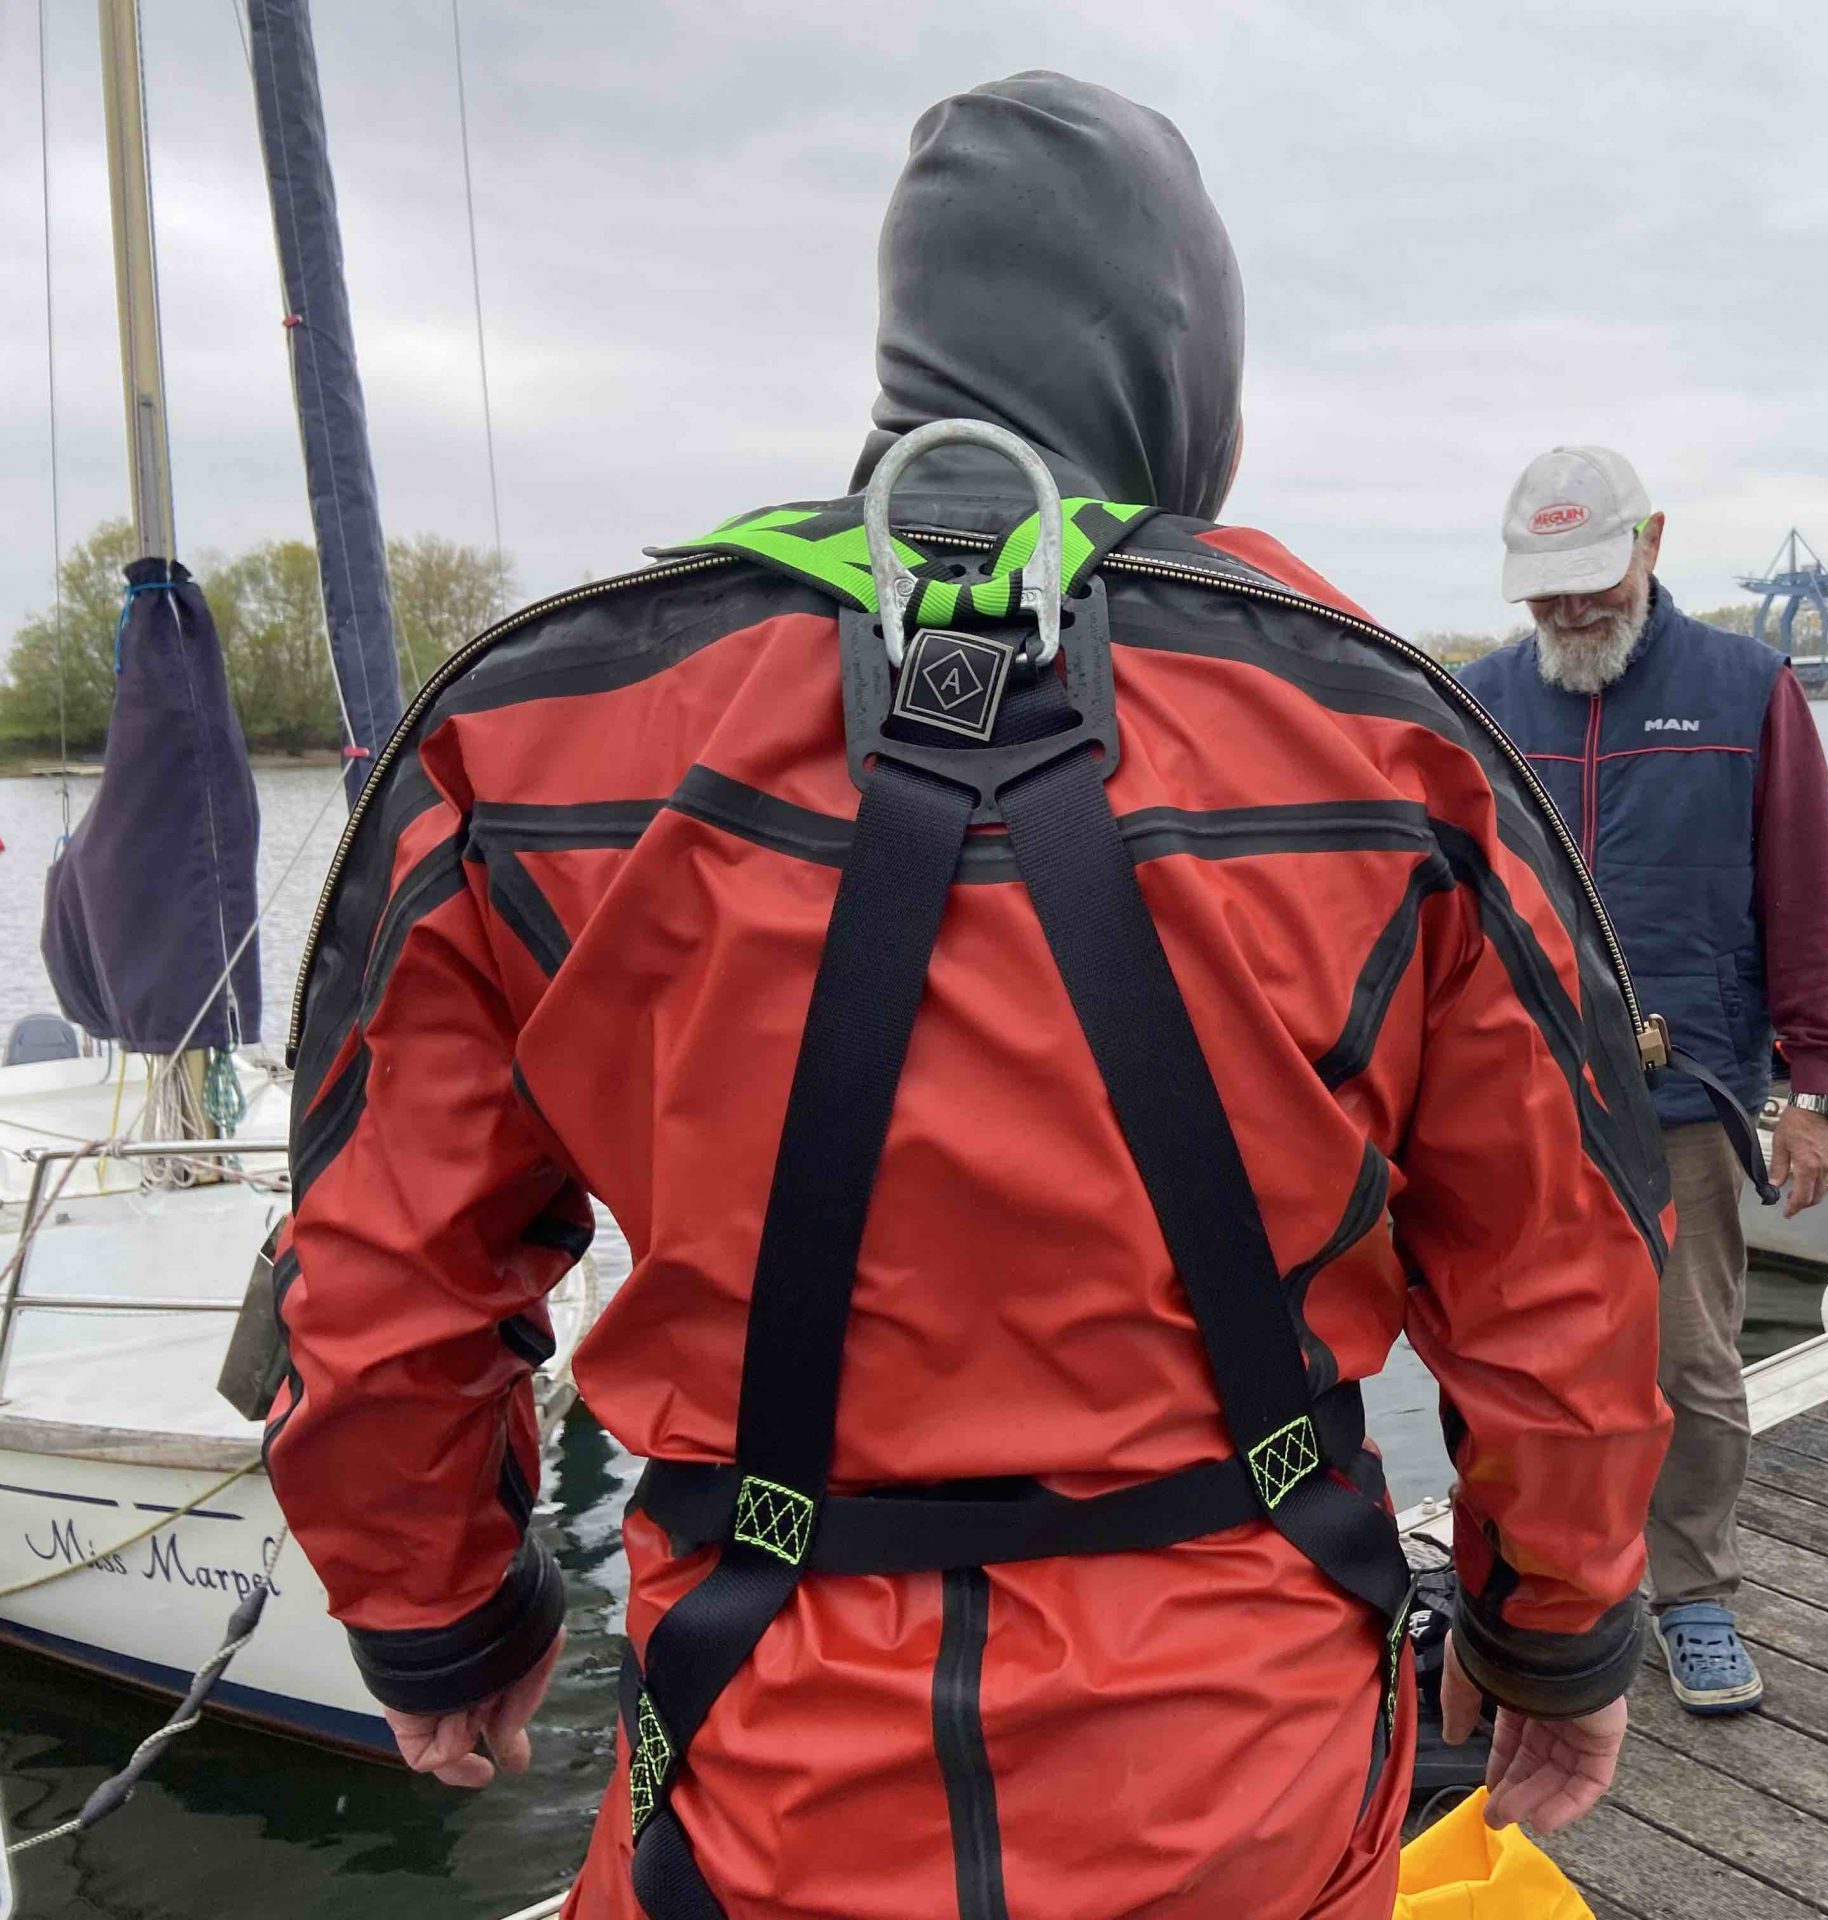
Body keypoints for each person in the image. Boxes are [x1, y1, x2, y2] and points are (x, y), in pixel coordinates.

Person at [268, 74, 1676, 1919]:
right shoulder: (1384, 740)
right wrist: (1555, 1637)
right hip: (1240, 1764)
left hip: (761, 1767)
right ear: (1189, 368)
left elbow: (382, 1265)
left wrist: (439, 1617)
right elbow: (1563, 1273)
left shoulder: (537, 731)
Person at [1457, 448, 1828, 1716]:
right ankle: (1533, 1591)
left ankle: (1690, 1594)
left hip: (1684, 1099)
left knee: (1689, 1365)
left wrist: (1816, 1087)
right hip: (1514, 1103)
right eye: (1547, 588)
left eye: (1593, 576)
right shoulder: (1474, 702)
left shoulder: (1746, 688)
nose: (1573, 608)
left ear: (1652, 541)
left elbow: (1806, 898)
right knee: (1516, 1362)